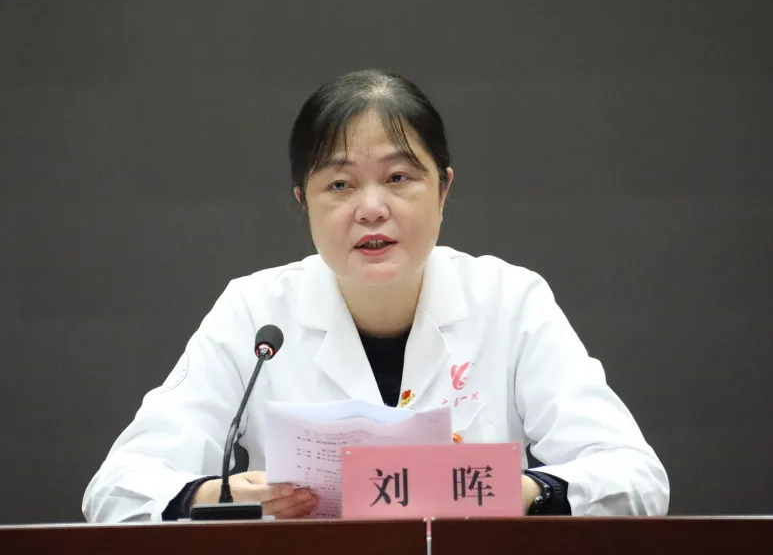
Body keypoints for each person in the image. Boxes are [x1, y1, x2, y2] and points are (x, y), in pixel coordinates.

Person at [83, 68, 669, 523]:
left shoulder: (509, 300)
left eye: (398, 178)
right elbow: (116, 491)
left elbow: (636, 478)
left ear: (443, 190)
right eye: (339, 184)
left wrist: (518, 490)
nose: (370, 208)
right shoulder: (255, 313)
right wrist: (221, 497)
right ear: (303, 202)